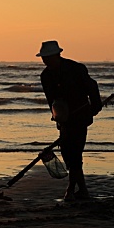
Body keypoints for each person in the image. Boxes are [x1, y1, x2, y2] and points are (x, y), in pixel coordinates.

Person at [36, 40, 102, 201]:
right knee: (67, 154)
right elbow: (51, 101)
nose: (45, 61)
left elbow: (92, 88)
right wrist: (58, 119)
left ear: (57, 55)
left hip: (80, 117)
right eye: (43, 58)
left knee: (75, 154)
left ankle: (75, 189)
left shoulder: (76, 69)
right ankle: (76, 190)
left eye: (47, 57)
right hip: (64, 120)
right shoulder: (45, 76)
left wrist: (95, 108)